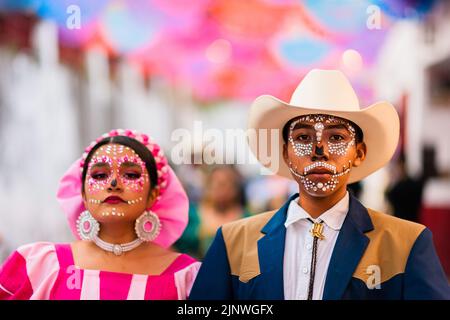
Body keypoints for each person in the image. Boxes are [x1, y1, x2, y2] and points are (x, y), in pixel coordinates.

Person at [190, 69, 450, 300]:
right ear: (285, 153)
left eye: (336, 136)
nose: (319, 150)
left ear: (359, 153)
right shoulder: (233, 241)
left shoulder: (405, 243)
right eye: (303, 137)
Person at [0, 129, 200, 300]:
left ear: (153, 195)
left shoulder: (187, 278)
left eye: (130, 175)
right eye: (99, 175)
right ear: (83, 194)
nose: (113, 184)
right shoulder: (38, 266)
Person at [175, 165, 251, 259]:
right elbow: (176, 245)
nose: (217, 189)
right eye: (213, 183)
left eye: (223, 184)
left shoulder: (246, 218)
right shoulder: (192, 215)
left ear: (235, 189)